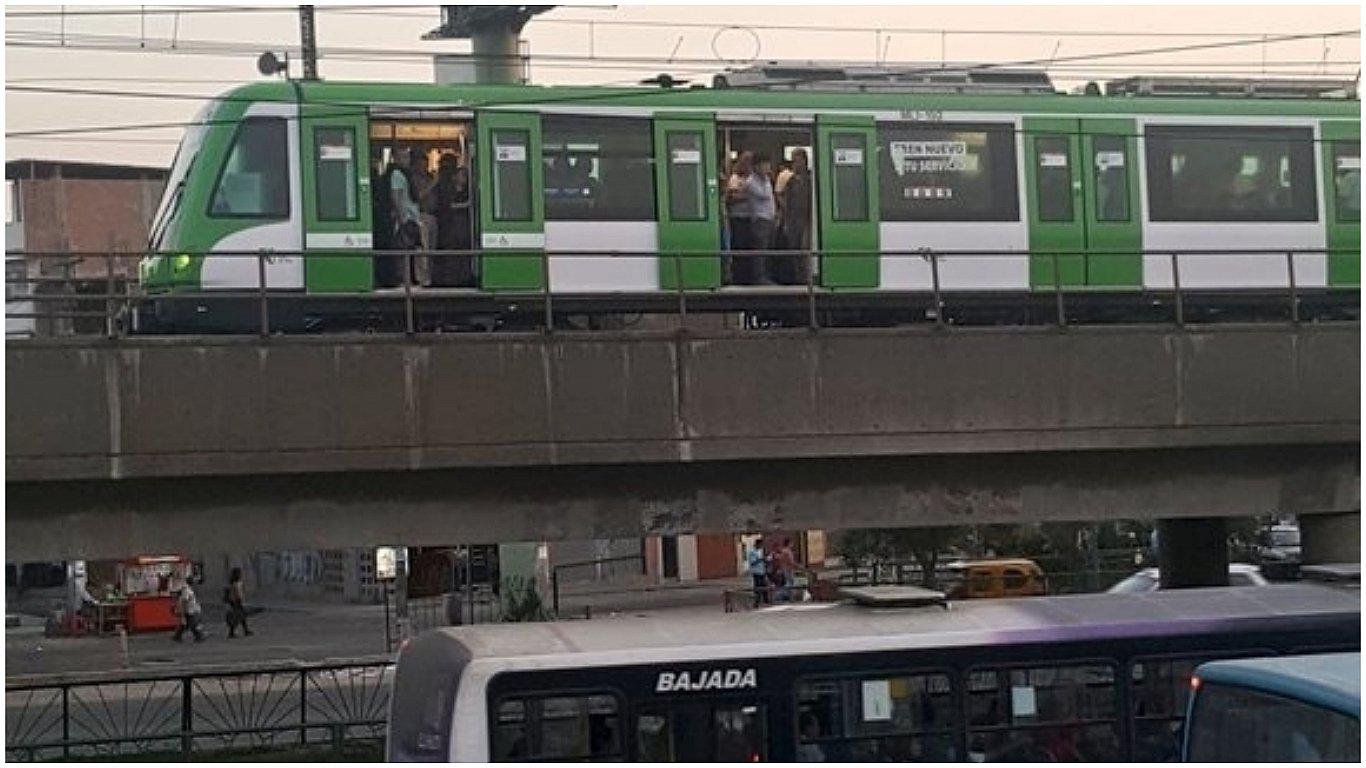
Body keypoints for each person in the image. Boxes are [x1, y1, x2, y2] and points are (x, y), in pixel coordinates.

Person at [390, 147, 436, 287]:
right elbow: (396, 198)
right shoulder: (398, 174)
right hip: (410, 218)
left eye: (407, 157)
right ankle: (413, 280)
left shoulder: (407, 175)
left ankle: (417, 279)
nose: (406, 160)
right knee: (413, 250)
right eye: (403, 157)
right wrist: (402, 219)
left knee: (418, 249)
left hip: (415, 216)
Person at [433, 155, 475, 287]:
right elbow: (447, 206)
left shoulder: (468, 191)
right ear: (454, 176)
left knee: (463, 253)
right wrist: (467, 205)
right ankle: (450, 279)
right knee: (451, 252)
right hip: (450, 225)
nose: (463, 178)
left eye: (465, 175)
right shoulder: (447, 190)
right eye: (461, 175)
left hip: (463, 225)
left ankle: (464, 277)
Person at [776, 148, 813, 285]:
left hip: (806, 219)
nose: (795, 164)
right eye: (793, 161)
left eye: (797, 161)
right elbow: (783, 196)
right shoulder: (791, 180)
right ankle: (796, 277)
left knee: (804, 248)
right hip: (792, 219)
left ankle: (805, 277)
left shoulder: (810, 179)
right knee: (793, 249)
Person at [172, 578, 205, 643]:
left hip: (190, 609)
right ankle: (198, 636)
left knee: (185, 624)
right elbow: (185, 601)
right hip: (188, 610)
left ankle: (177, 636)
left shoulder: (187, 589)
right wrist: (183, 612)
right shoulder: (186, 590)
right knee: (192, 623)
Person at [224, 567, 253, 638]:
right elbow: (238, 594)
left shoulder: (232, 583)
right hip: (236, 602)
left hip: (233, 602)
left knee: (241, 617)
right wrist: (241, 601)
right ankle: (232, 632)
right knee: (237, 617)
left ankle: (244, 630)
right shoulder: (236, 584)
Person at [746, 537, 770, 605]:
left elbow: (763, 559)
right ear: (758, 544)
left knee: (764, 585)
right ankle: (756, 601)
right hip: (756, 572)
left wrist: (766, 560)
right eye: (761, 545)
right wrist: (761, 559)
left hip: (762, 571)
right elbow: (753, 562)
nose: (761, 546)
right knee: (758, 587)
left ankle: (766, 600)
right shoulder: (752, 552)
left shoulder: (760, 551)